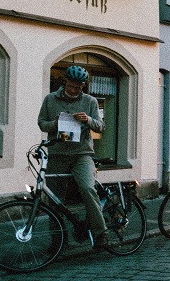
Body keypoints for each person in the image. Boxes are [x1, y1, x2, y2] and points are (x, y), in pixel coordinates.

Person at [38, 65, 107, 250]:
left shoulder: (90, 101)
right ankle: (59, 242)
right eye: (71, 86)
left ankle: (101, 234)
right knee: (54, 199)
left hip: (81, 154)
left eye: (78, 87)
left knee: (87, 189)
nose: (73, 90)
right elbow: (42, 124)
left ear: (83, 86)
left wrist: (88, 120)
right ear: (65, 82)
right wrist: (57, 123)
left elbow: (100, 126)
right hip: (58, 154)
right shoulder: (50, 99)